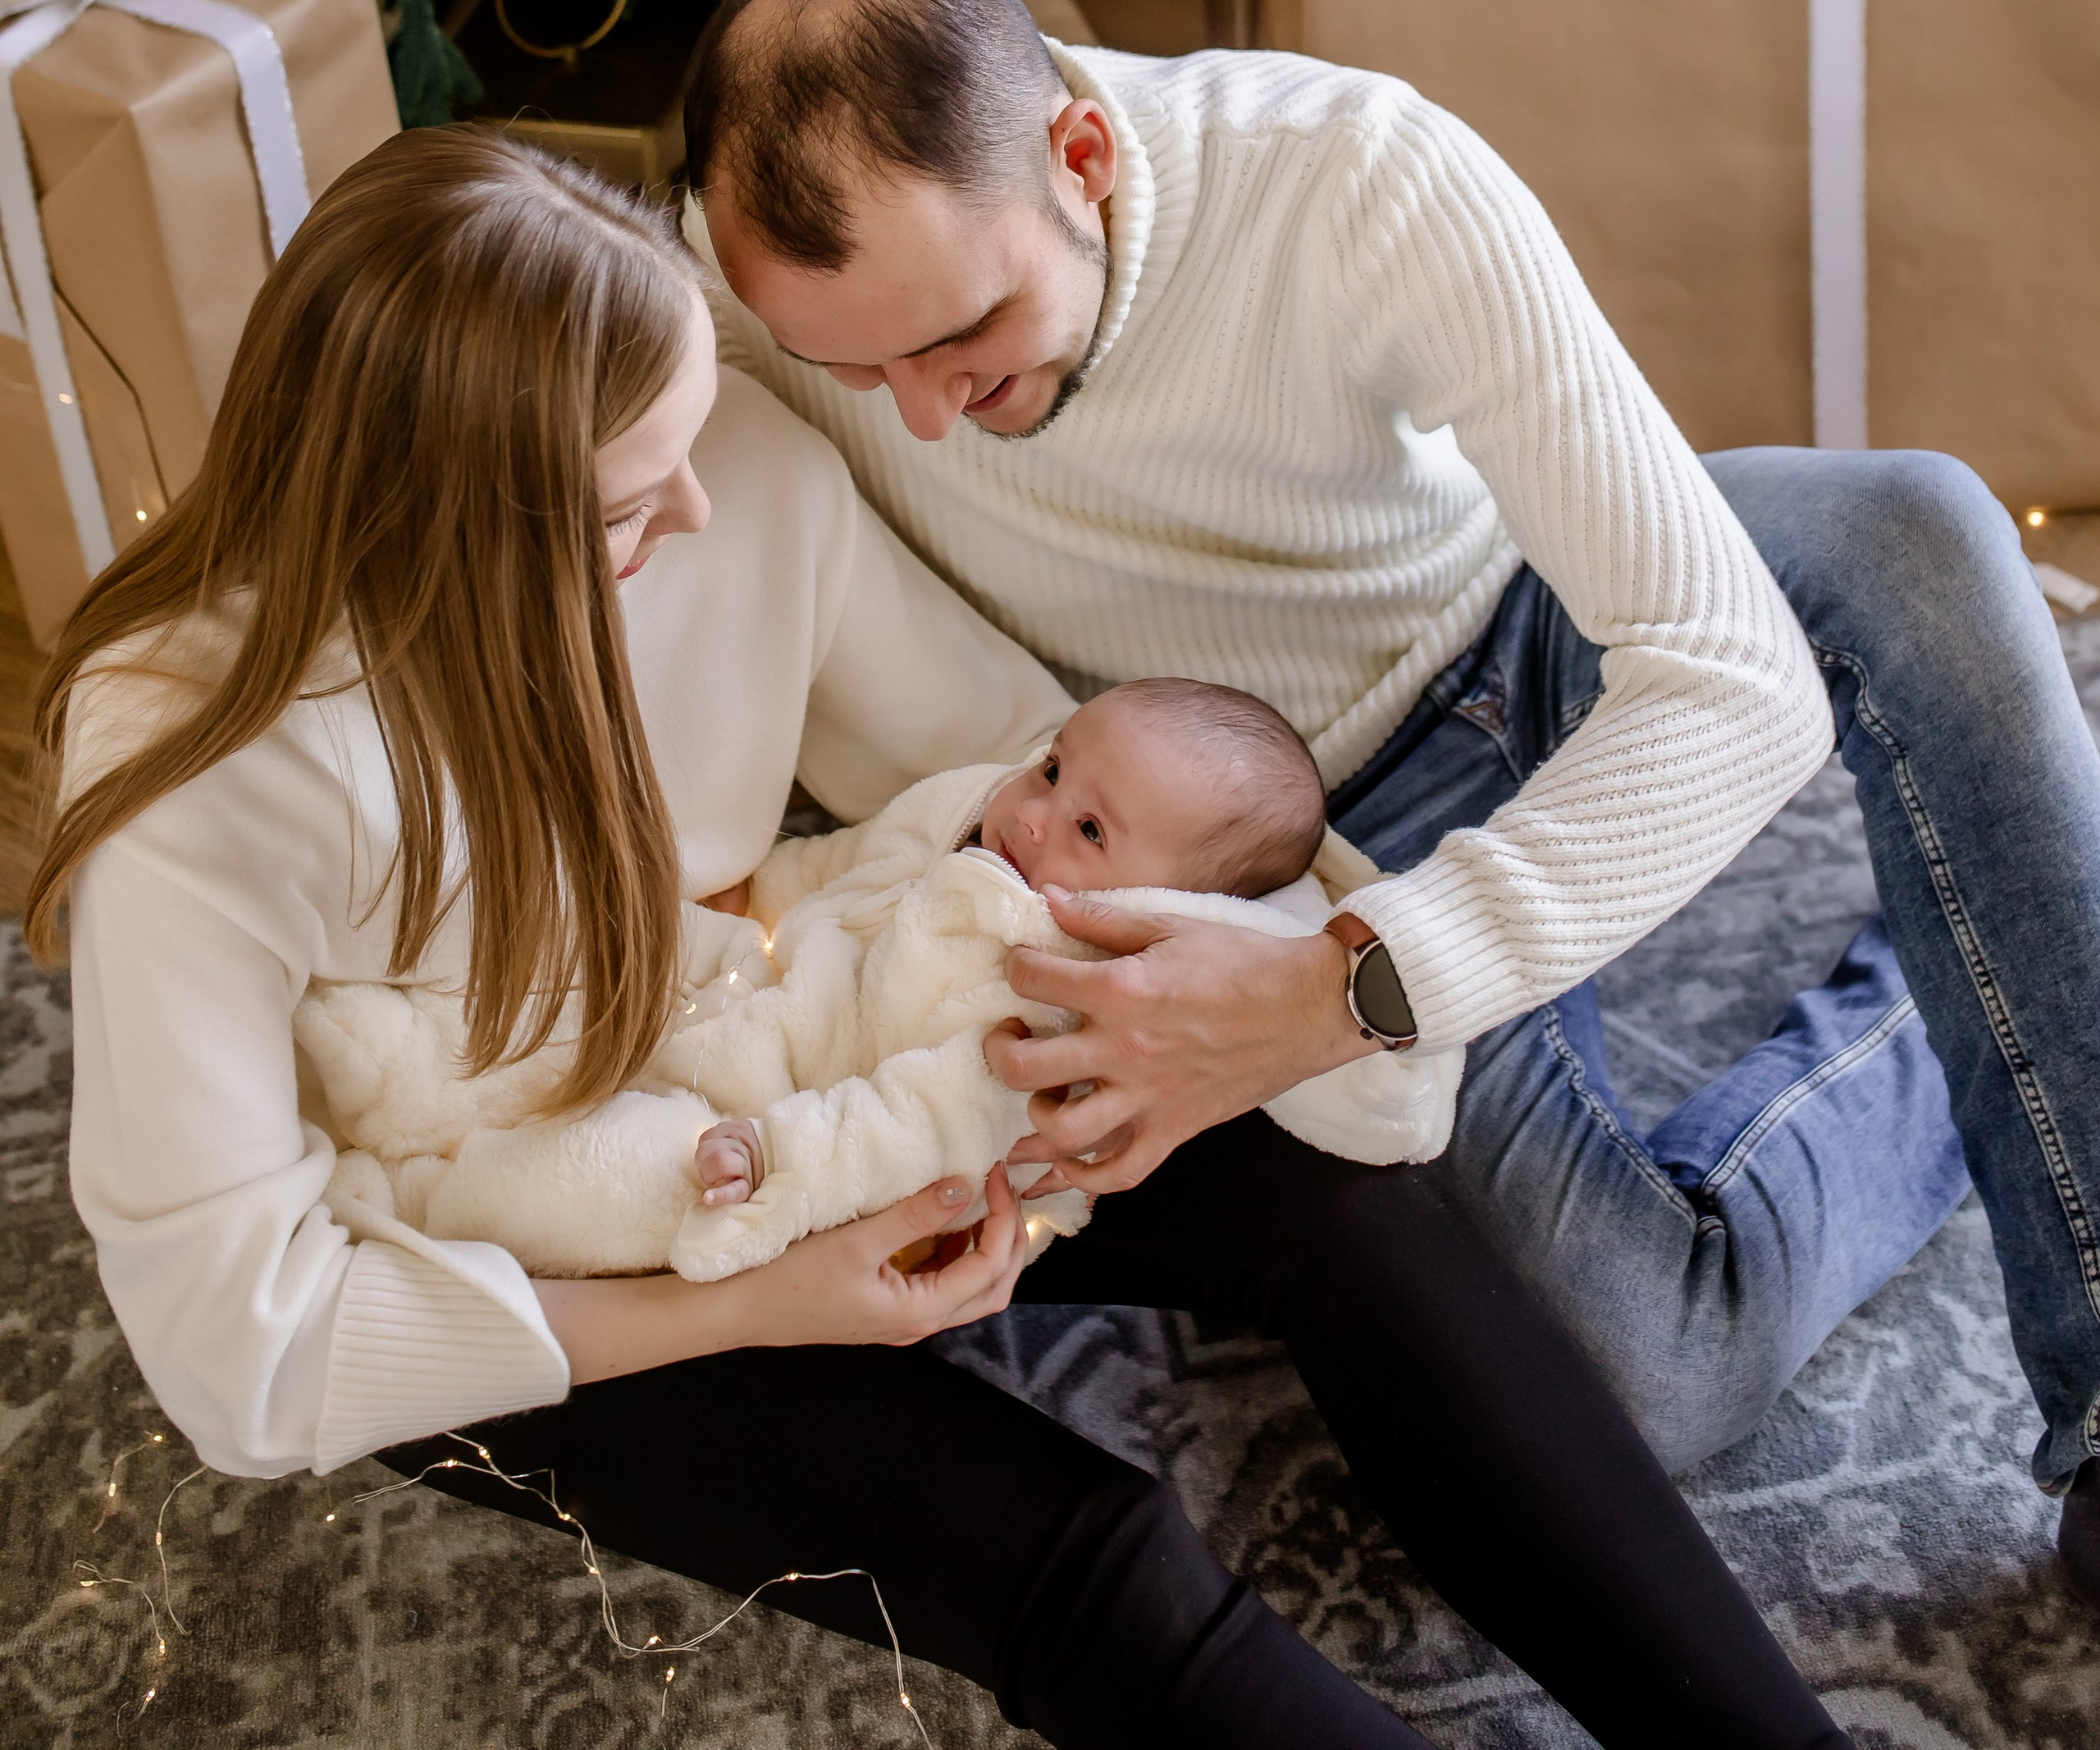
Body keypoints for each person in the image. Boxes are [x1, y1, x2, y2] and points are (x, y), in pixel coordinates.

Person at [27, 127, 1852, 1750]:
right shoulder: (201, 767)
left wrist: (1228, 1024)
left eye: (688, 438)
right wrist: (757, 1304)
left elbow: (1020, 782)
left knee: (1334, 1209)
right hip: (519, 1237)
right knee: (1080, 1559)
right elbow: (246, 1349)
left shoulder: (725, 476)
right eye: (620, 508)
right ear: (445, 536)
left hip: (803, 1059)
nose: (700, 509)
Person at [682, 0, 2100, 1595]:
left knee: (1922, 537)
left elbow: (1728, 677)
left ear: (1077, 160)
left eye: (966, 335)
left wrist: (1350, 994)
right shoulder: (740, 306)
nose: (922, 420)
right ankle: (1981, 996)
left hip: (1516, 614)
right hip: (1267, 828)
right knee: (1653, 1378)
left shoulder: (1349, 173)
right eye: (858, 375)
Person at [298, 676, 1433, 1282]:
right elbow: (854, 859)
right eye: (1050, 767)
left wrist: (780, 1159)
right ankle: (402, 1070)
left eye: (1087, 826)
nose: (1030, 812)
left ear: (1169, 905)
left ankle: (440, 1205)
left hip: (810, 1150)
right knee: (603, 972)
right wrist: (759, 895)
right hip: (764, 992)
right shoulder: (971, 813)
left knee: (634, 1178)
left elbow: (930, 1125)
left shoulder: (1069, 996)